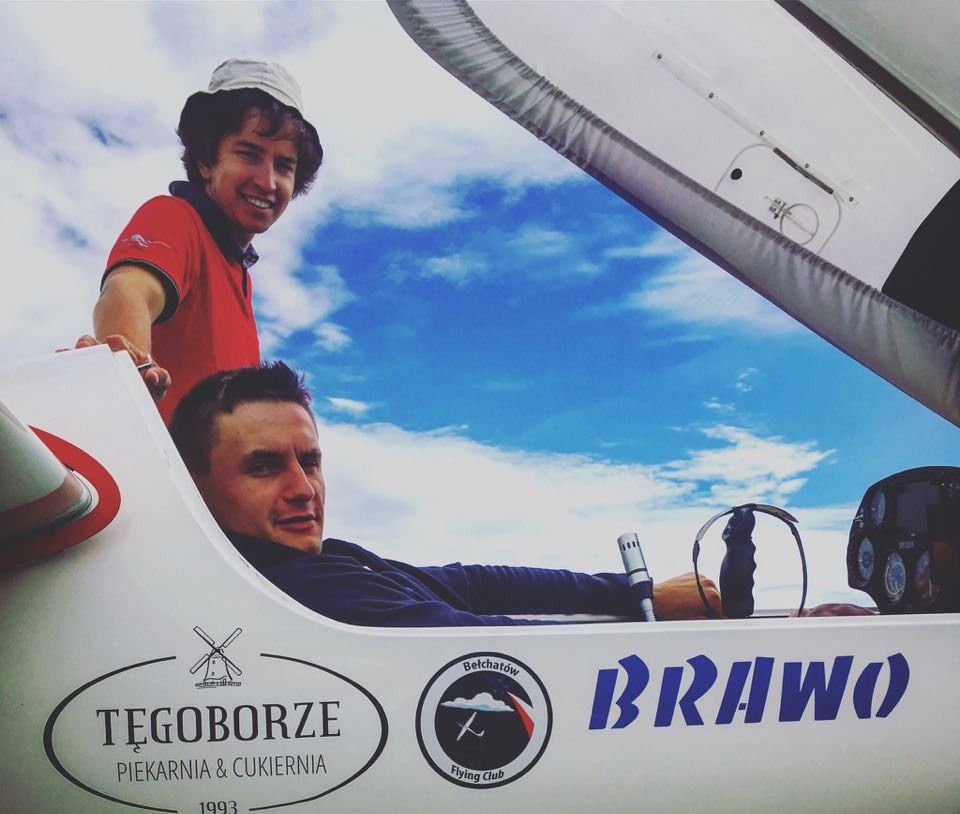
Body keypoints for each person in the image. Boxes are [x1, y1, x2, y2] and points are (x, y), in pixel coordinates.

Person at [169, 362, 719, 627]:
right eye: (264, 467)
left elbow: (473, 584)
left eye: (310, 461)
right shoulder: (299, 586)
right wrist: (642, 615)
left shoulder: (327, 562)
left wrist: (633, 591)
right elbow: (483, 642)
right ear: (196, 486)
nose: (302, 489)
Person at [77, 59, 323, 422]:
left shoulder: (239, 274)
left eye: (284, 166)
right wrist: (131, 371)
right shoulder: (174, 217)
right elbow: (129, 291)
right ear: (206, 161)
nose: (268, 182)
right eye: (249, 154)